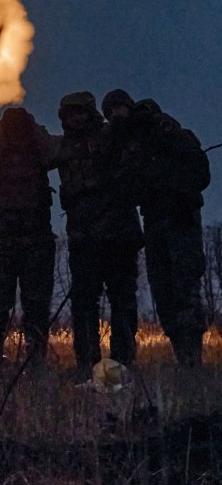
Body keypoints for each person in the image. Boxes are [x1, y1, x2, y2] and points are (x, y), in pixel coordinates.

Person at [53, 91, 143, 379]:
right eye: (70, 114)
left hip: (117, 236)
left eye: (81, 112)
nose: (76, 118)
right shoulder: (63, 147)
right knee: (84, 301)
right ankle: (87, 363)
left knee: (123, 299)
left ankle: (123, 362)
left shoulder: (111, 137)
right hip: (83, 239)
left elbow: (130, 171)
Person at [0, 107, 58, 369]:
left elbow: (55, 153)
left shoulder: (38, 146)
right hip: (2, 241)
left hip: (35, 240)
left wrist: (33, 133)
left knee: (37, 307)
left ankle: (35, 361)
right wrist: (0, 139)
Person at [125, 95, 211, 366]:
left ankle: (191, 360)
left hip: (180, 221)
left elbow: (199, 175)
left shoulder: (172, 135)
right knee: (164, 293)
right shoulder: (137, 148)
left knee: (185, 290)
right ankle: (182, 356)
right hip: (156, 224)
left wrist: (172, 187)